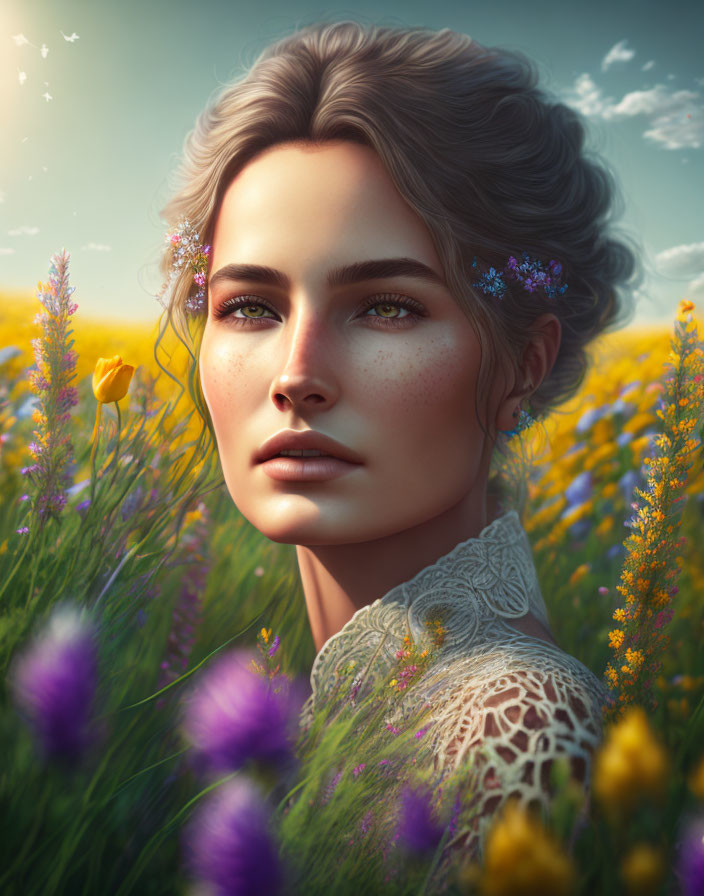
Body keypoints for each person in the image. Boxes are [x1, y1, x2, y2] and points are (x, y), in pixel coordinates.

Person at [154, 20, 642, 865]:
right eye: (250, 308)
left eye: (386, 307)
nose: (296, 374)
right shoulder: (369, 704)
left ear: (522, 366)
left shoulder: (511, 727)